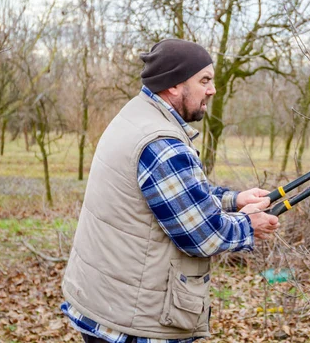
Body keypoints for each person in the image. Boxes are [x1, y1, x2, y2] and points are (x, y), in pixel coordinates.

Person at [61, 39, 280, 343]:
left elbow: (174, 195)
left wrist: (235, 200)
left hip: (104, 307)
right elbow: (203, 236)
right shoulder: (161, 143)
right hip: (134, 322)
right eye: (204, 80)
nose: (212, 89)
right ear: (174, 85)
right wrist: (248, 225)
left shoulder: (137, 115)